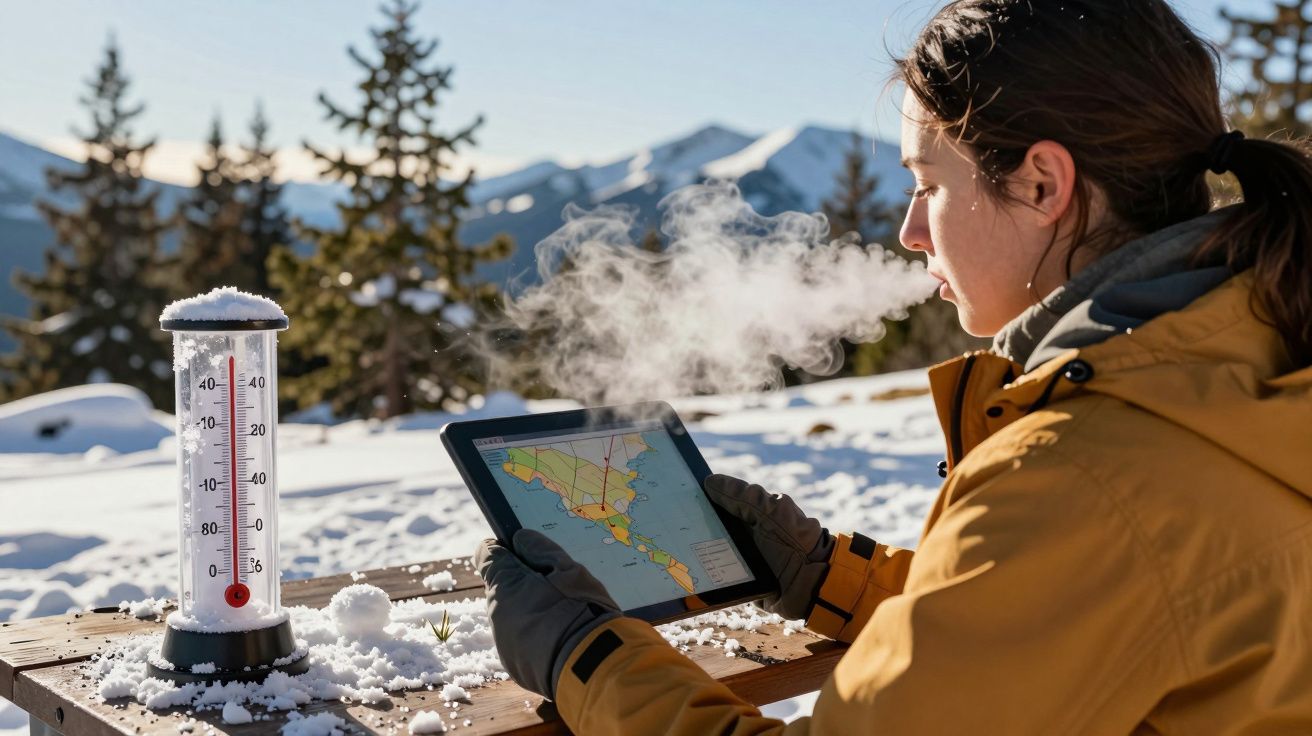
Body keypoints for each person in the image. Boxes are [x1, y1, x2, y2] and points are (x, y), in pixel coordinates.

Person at [474, 0, 1312, 732]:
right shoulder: (1255, 355)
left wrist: (587, 658)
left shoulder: (1083, 468)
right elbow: (1082, 614)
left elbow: (1090, 548)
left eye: (928, 185)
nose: (912, 232)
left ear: (1043, 184)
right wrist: (829, 577)